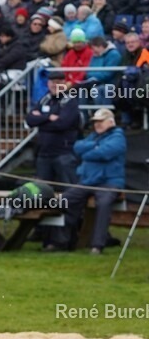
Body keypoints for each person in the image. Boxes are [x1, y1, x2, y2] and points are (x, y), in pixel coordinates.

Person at [46, 108, 125, 254]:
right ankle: (59, 242)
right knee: (65, 200)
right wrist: (94, 147)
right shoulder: (93, 137)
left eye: (101, 121)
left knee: (104, 205)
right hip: (87, 181)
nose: (97, 125)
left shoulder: (118, 137)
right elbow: (77, 147)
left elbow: (105, 153)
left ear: (110, 122)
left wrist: (87, 152)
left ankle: (97, 246)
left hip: (109, 182)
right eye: (95, 122)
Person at [25, 69, 80, 186]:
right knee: (41, 192)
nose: (55, 85)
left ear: (64, 83)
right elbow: (30, 120)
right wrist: (49, 117)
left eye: (58, 82)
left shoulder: (70, 101)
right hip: (43, 153)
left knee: (70, 189)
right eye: (52, 82)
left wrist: (40, 120)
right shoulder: (45, 100)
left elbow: (62, 123)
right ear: (48, 84)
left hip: (63, 153)